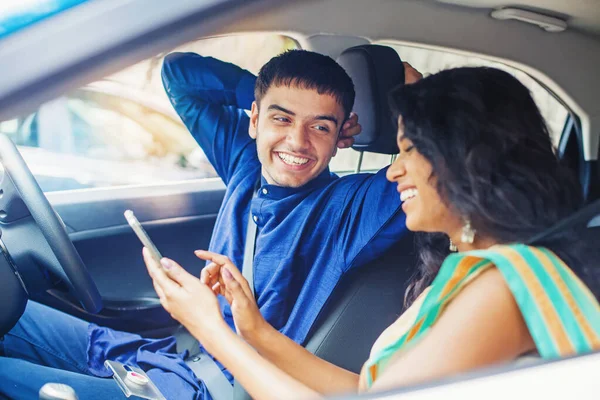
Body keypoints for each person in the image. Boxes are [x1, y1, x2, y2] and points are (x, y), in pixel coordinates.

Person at [143, 66, 600, 399]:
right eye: (281, 118)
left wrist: (208, 325)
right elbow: (367, 389)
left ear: (467, 161)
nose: (393, 170)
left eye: (408, 150)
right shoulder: (462, 274)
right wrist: (253, 329)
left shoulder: (503, 284)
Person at [0, 50, 421, 399]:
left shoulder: (352, 206)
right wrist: (258, 90)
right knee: (11, 313)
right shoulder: (244, 163)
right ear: (253, 119)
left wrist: (408, 85)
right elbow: (179, 74)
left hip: (208, 391)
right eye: (282, 118)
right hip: (171, 357)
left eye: (320, 127)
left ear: (339, 135)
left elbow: (435, 163)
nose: (297, 141)